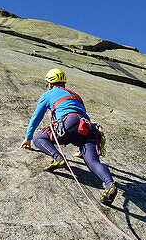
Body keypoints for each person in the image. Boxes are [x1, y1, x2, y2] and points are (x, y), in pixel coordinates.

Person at [20, 68, 118, 206]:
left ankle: (58, 158)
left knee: (38, 138)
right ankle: (109, 184)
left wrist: (28, 137)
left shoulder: (48, 94)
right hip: (87, 128)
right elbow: (83, 117)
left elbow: (37, 117)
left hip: (68, 123)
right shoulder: (76, 96)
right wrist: (80, 147)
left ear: (49, 83)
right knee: (92, 162)